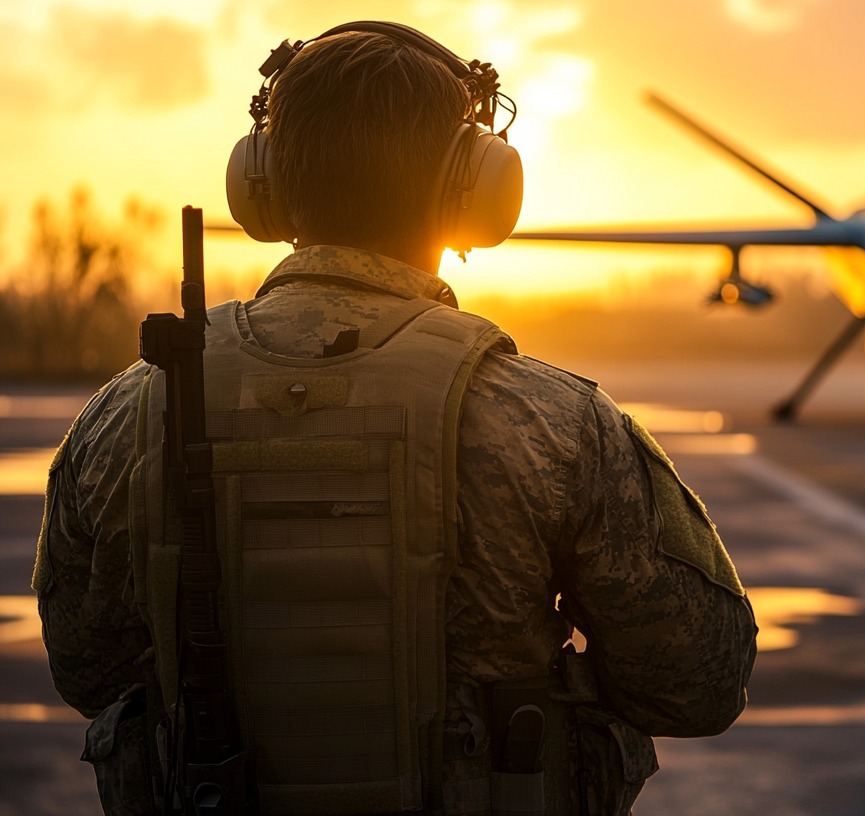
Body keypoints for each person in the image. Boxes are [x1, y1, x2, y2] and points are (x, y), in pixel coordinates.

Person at [33, 22, 756, 816]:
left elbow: (88, 670)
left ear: (263, 183)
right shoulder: (555, 421)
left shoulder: (126, 414)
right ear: (473, 188)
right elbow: (698, 683)